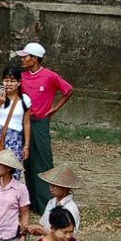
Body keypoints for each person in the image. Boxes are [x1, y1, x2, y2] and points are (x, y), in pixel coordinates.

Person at [16, 43, 74, 214]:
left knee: (43, 161)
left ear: (34, 59)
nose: (22, 59)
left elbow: (68, 90)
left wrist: (55, 108)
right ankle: (32, 202)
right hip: (24, 120)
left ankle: (46, 204)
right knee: (27, 161)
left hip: (41, 122)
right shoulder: (22, 76)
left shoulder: (49, 76)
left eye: (26, 56)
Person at [0, 65, 31, 181]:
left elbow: (26, 123)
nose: (9, 84)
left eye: (12, 81)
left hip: (15, 139)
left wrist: (26, 146)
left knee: (12, 170)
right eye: (6, 80)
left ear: (19, 83)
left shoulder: (25, 99)